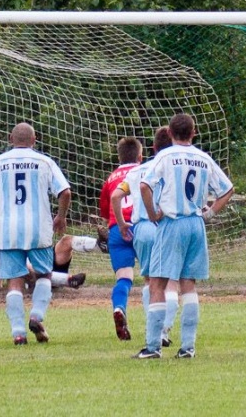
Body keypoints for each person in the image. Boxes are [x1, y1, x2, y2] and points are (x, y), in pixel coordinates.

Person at [135, 113, 234, 359]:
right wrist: (209, 213)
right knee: (188, 284)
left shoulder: (165, 156)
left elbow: (145, 185)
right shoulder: (203, 158)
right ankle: (188, 347)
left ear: (169, 133)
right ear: (194, 133)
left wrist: (152, 214)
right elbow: (227, 189)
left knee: (157, 283)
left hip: (173, 222)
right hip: (196, 224)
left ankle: (153, 347)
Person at [0, 122, 71, 345]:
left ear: (10, 139)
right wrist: (61, 217)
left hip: (8, 231)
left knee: (14, 281)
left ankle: (18, 333)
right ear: (34, 141)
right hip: (38, 230)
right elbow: (65, 192)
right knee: (44, 275)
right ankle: (36, 316)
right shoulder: (44, 162)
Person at [110, 126, 178, 347]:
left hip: (143, 229)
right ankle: (164, 330)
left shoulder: (138, 171)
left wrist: (122, 224)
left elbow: (116, 196)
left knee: (150, 280)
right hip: (168, 226)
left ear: (153, 147)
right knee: (171, 280)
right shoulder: (176, 168)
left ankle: (154, 330)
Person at [99, 137, 144, 341]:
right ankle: (159, 328)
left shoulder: (111, 178)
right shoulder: (145, 171)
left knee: (124, 278)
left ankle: (119, 307)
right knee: (154, 278)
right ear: (140, 156)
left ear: (119, 157)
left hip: (118, 229)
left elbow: (105, 211)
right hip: (141, 225)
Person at [0, 228, 107, 292]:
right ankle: (68, 280)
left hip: (45, 262)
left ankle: (101, 245)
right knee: (24, 266)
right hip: (34, 278)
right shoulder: (3, 252)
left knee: (66, 241)